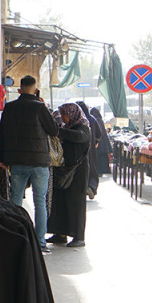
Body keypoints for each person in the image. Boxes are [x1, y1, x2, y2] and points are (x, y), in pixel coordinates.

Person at [0, 76, 59, 251]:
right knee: (40, 202)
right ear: (35, 89)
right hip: (39, 162)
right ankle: (40, 242)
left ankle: (15, 237)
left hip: (17, 162)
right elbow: (54, 130)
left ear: (19, 89)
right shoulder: (40, 107)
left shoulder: (10, 107)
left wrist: (2, 158)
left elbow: (0, 135)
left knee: (15, 200)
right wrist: (44, 106)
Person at [47, 102, 93, 248]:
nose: (62, 117)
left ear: (72, 114)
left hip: (78, 172)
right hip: (64, 170)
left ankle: (78, 236)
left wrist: (59, 132)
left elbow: (80, 137)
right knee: (60, 201)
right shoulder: (67, 127)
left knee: (76, 203)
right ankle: (60, 233)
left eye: (64, 114)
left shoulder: (83, 127)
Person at [86, 106, 109, 198]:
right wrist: (96, 141)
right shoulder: (94, 120)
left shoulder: (81, 120)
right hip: (95, 147)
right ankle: (91, 187)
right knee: (94, 165)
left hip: (84, 149)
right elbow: (99, 133)